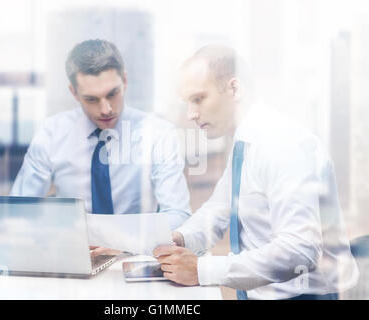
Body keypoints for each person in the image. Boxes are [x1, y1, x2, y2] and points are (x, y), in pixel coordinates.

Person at [153, 45, 359, 300]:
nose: (191, 114)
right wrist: (179, 239)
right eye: (187, 103)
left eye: (198, 99)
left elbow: (300, 249)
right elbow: (217, 211)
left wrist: (201, 269)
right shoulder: (245, 143)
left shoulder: (282, 144)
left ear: (234, 89)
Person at [10, 39, 191, 256]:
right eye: (91, 99)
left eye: (112, 94)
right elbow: (19, 211)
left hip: (135, 256)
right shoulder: (52, 133)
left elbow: (179, 215)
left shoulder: (158, 133)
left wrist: (125, 241)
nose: (105, 109)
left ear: (124, 81)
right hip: (72, 256)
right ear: (74, 93)